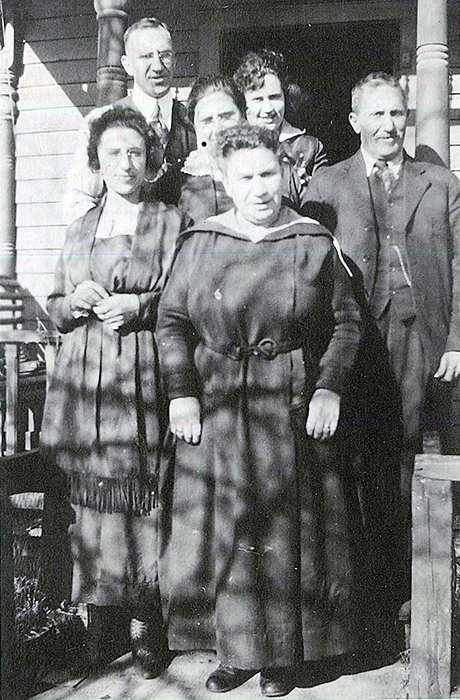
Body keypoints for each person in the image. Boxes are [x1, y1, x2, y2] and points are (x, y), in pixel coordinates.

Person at [155, 123, 390, 697]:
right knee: (229, 527)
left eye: (268, 173)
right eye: (245, 177)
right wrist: (181, 391)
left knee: (287, 530)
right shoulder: (201, 242)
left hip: (290, 401)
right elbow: (172, 322)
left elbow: (347, 322)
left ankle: (283, 656)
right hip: (219, 403)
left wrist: (330, 387)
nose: (260, 188)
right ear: (224, 180)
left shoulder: (310, 240)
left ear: (284, 172)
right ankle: (236, 652)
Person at [41, 107, 189, 678]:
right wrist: (72, 301)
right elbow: (53, 305)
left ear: (150, 158)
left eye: (134, 152)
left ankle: (147, 621)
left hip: (140, 368)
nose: (125, 164)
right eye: (112, 154)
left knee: (141, 492)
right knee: (91, 500)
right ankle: (100, 622)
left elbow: (184, 295)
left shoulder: (169, 221)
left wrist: (140, 305)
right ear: (96, 163)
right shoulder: (80, 228)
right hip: (84, 376)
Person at [304, 72, 460, 573]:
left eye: (396, 113)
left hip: (422, 338)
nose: (389, 125)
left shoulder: (439, 184)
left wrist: (457, 339)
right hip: (354, 340)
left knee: (413, 451)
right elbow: (308, 270)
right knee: (358, 455)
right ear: (354, 121)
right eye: (377, 114)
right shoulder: (327, 185)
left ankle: (415, 587)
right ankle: (366, 592)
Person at [62, 17, 196, 224]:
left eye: (165, 55)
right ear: (127, 65)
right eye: (146, 56)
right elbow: (79, 200)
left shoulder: (194, 121)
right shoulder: (100, 122)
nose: (158, 66)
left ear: (175, 61)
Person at [233, 49, 328, 212]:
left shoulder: (310, 148)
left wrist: (309, 186)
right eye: (258, 99)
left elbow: (325, 202)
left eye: (274, 97)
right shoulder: (233, 146)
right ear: (244, 104)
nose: (268, 108)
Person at [177, 75, 245, 223]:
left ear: (243, 118)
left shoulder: (272, 169)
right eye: (207, 121)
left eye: (226, 116)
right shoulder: (176, 178)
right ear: (195, 128)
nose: (218, 129)